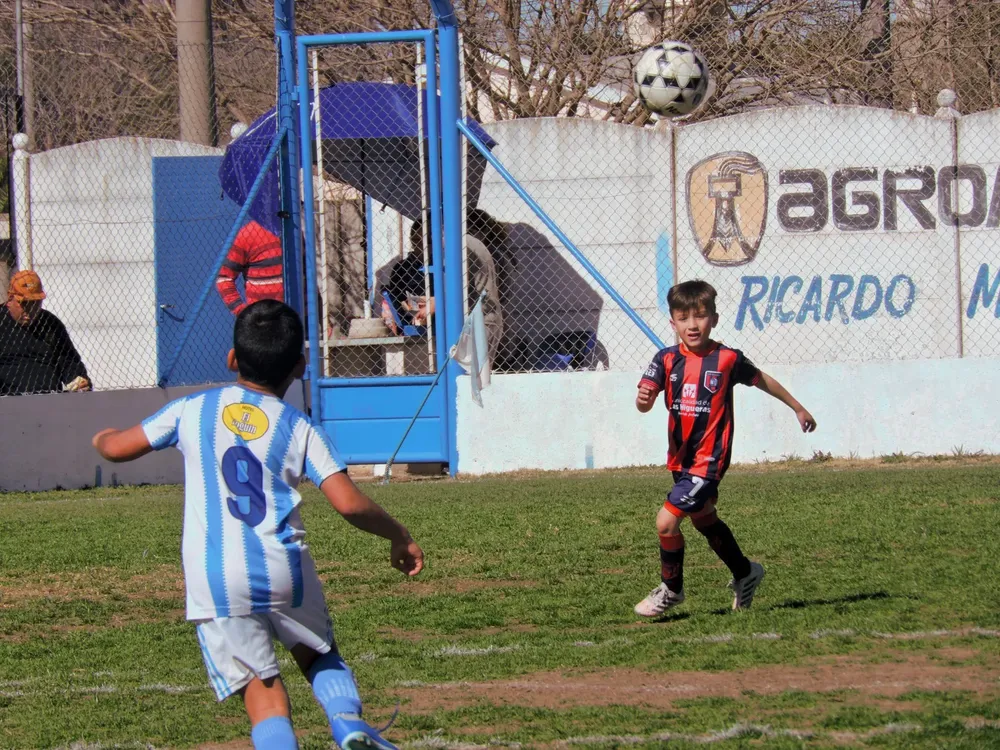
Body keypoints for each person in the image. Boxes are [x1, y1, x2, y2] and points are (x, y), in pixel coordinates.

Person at [91, 300, 424, 750]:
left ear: (232, 359)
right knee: (318, 653)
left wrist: (101, 437)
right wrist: (398, 535)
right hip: (285, 567)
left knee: (263, 694)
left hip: (217, 579)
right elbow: (348, 504)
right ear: (302, 366)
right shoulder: (300, 427)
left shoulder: (192, 409)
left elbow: (116, 448)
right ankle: (347, 722)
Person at [633, 280, 816, 617]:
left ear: (713, 319)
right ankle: (745, 572)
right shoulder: (666, 359)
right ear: (673, 323)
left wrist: (797, 407)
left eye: (700, 316)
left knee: (666, 523)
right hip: (680, 462)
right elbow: (644, 402)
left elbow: (763, 380)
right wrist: (643, 399)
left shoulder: (727, 359)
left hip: (709, 462)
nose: (692, 325)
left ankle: (671, 590)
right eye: (683, 318)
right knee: (704, 520)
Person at [383, 217, 503, 361]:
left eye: (425, 242)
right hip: (474, 320)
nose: (419, 248)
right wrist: (425, 302)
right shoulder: (462, 243)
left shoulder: (458, 248)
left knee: (466, 378)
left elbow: (455, 291)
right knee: (464, 378)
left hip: (478, 322)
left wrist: (432, 305)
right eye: (415, 242)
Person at [0, 270, 90, 396]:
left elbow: (69, 362)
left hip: (50, 401)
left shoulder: (51, 324)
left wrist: (79, 380)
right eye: (24, 304)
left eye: (35, 303)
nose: (30, 310)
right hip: (9, 402)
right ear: (10, 299)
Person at [216, 220, 285, 315]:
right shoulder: (247, 234)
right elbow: (224, 278)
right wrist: (242, 312)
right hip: (264, 318)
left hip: (301, 316)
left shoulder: (302, 231)